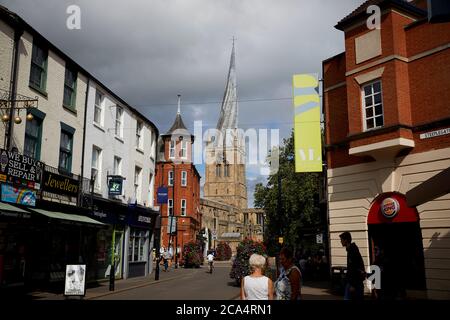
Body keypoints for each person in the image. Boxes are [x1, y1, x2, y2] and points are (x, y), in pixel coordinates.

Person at [340, 231, 366, 300]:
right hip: (351, 282)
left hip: (355, 283)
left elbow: (356, 268)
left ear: (346, 240)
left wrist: (353, 285)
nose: (341, 242)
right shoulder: (350, 250)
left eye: (341, 240)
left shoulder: (353, 251)